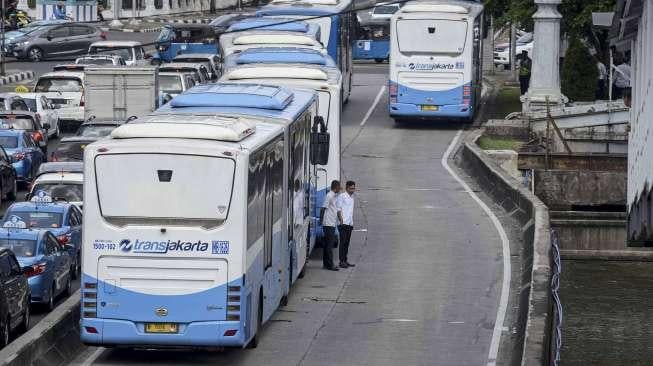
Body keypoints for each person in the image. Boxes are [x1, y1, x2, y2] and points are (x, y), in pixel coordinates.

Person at [320, 180, 341, 271]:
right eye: (339, 187)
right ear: (335, 187)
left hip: (331, 223)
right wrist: (321, 221)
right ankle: (330, 264)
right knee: (329, 245)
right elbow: (323, 208)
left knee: (327, 245)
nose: (339, 189)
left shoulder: (334, 196)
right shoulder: (329, 196)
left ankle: (326, 264)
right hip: (328, 224)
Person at [337, 180, 356, 269]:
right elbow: (339, 208)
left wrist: (351, 223)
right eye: (351, 188)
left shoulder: (352, 198)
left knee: (347, 243)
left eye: (353, 188)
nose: (353, 190)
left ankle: (345, 260)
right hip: (343, 223)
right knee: (343, 242)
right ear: (347, 188)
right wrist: (341, 220)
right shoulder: (342, 196)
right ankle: (341, 261)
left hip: (349, 224)